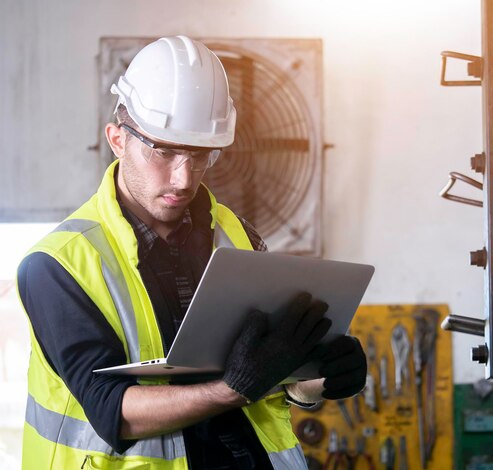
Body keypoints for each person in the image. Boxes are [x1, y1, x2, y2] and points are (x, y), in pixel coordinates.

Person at [17, 35, 367, 469]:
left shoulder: (240, 238)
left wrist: (313, 380)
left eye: (201, 155)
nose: (184, 178)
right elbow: (114, 411)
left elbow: (264, 377)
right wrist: (233, 388)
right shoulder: (57, 266)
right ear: (117, 139)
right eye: (163, 151)